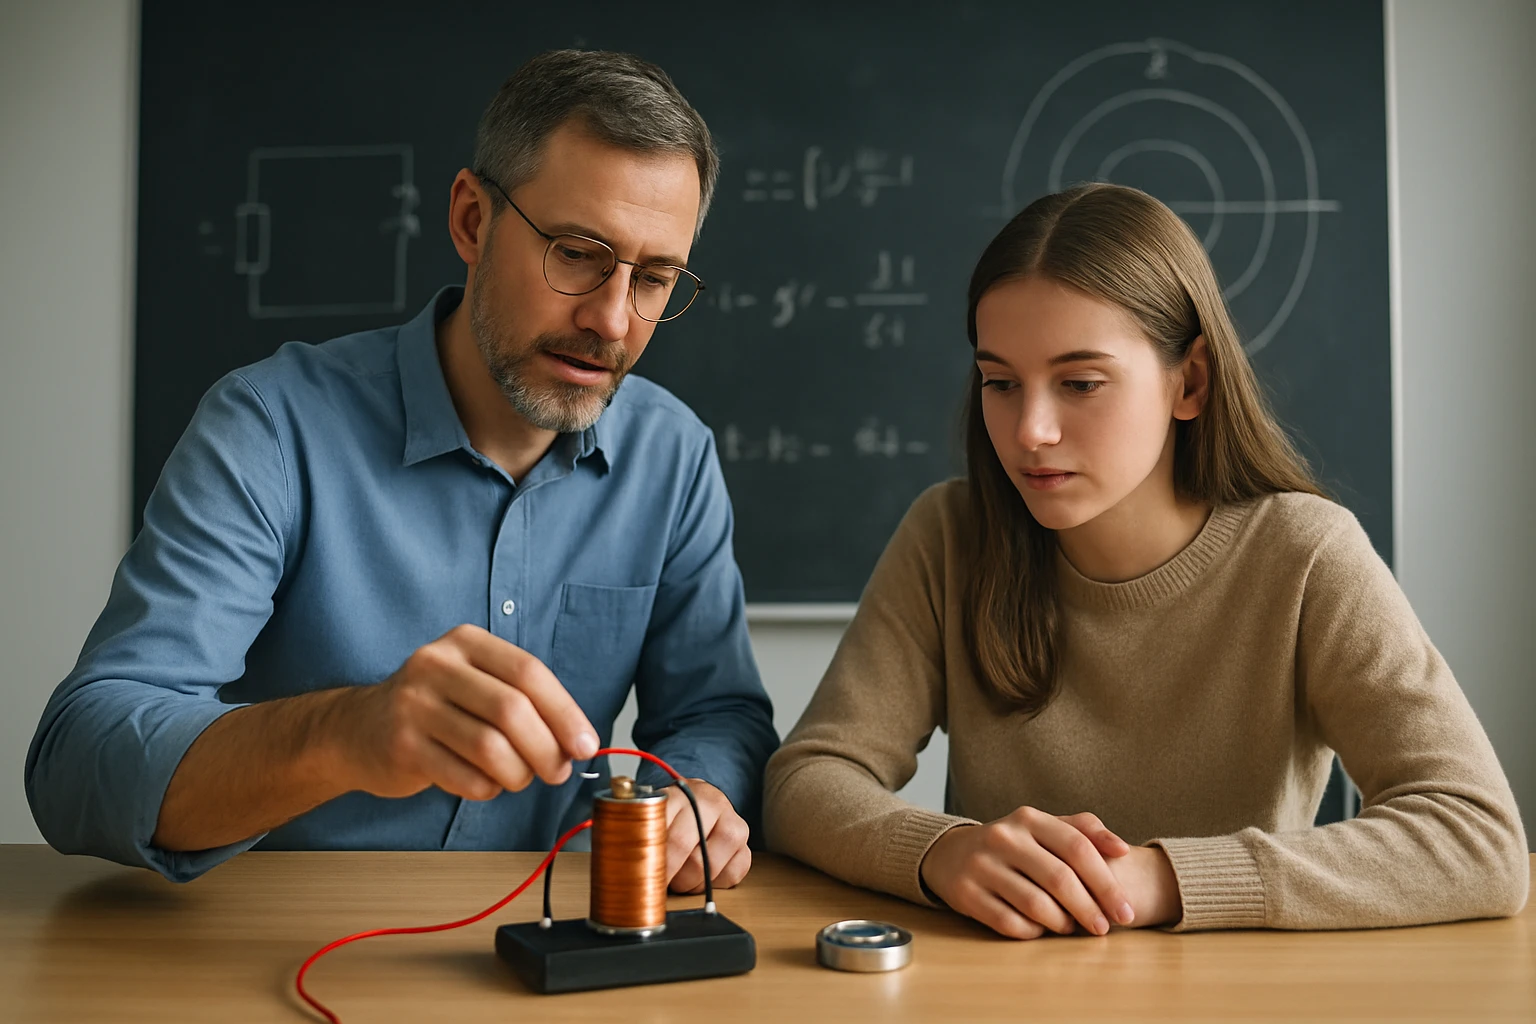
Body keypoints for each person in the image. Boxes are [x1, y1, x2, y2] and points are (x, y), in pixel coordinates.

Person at [26, 49, 777, 892]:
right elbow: (76, 760)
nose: (611, 319)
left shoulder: (673, 456)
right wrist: (347, 733)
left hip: (544, 944)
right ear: (470, 220)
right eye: (576, 253)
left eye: (655, 278)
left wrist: (694, 795)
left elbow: (717, 716)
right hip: (266, 951)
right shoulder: (272, 427)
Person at [763, 182, 1527, 937]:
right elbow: (805, 782)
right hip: (1002, 994)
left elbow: (1479, 840)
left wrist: (1159, 880)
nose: (1030, 430)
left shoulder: (1306, 554)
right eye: (999, 382)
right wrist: (939, 851)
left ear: (1188, 381)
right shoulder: (948, 535)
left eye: (1080, 383)